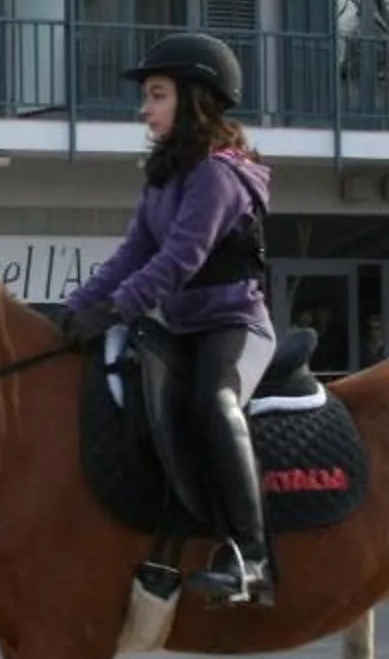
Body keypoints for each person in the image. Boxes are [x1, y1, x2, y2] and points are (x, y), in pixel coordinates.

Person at [55, 32, 276, 605]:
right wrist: (74, 309)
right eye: (147, 97)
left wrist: (117, 309)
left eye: (156, 95)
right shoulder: (165, 177)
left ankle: (252, 560)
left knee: (213, 403)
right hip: (181, 330)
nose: (144, 108)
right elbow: (132, 255)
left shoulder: (218, 175)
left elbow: (180, 258)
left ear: (195, 99)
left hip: (235, 327)